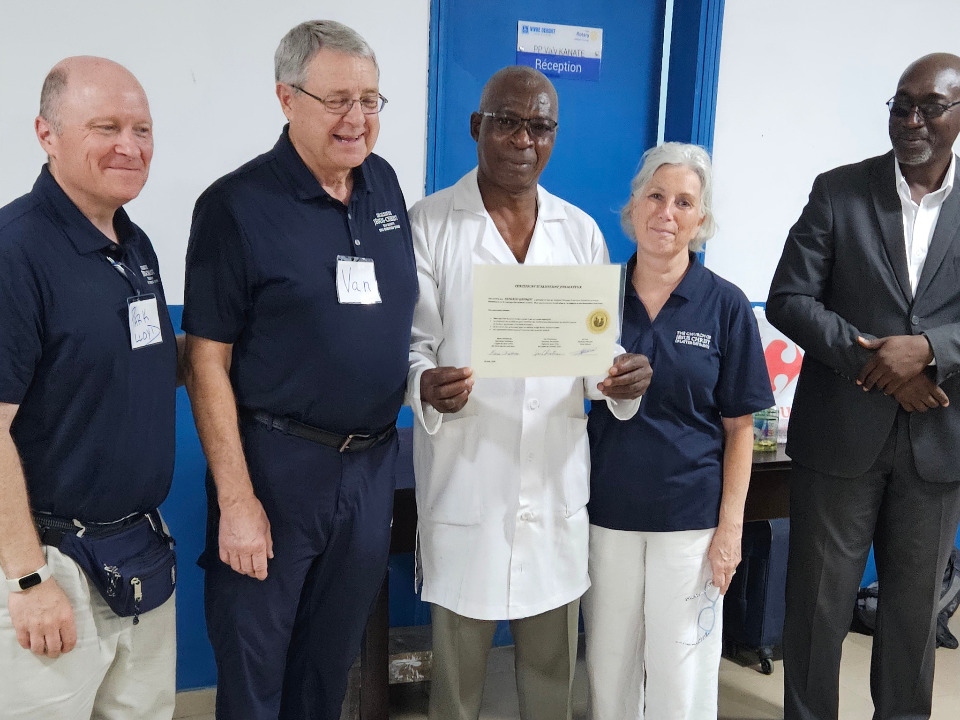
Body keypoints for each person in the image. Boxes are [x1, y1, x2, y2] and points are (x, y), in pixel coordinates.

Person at [182, 20, 417, 720]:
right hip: (277, 468)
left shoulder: (384, 185)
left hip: (372, 464)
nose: (358, 119)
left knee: (329, 665)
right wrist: (237, 498)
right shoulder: (235, 206)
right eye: (338, 99)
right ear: (287, 98)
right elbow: (205, 361)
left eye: (372, 100)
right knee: (256, 669)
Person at [407, 65, 652, 720]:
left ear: (554, 136)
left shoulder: (579, 233)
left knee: (550, 679)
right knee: (457, 683)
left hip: (553, 491)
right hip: (468, 485)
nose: (523, 139)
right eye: (507, 122)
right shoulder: (429, 224)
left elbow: (597, 359)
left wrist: (621, 379)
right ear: (476, 127)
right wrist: (424, 386)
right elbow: (413, 346)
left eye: (539, 126)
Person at [766, 53, 960, 720]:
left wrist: (932, 350)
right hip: (840, 436)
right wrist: (876, 365)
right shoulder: (838, 191)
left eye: (930, 107)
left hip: (938, 444)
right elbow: (788, 299)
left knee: (912, 617)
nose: (911, 120)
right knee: (818, 607)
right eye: (900, 105)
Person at [0, 57, 179, 719]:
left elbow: (149, 358)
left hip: (138, 558)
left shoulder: (133, 246)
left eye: (142, 128)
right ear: (46, 135)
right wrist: (27, 577)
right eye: (106, 127)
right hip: (52, 567)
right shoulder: (15, 252)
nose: (129, 145)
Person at [581, 142, 773, 720]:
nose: (667, 212)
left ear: (701, 219)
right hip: (606, 513)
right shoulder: (595, 294)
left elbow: (742, 427)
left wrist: (729, 530)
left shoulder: (726, 306)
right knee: (608, 665)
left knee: (681, 673)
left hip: (689, 521)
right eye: (656, 196)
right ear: (634, 206)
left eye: (684, 202)